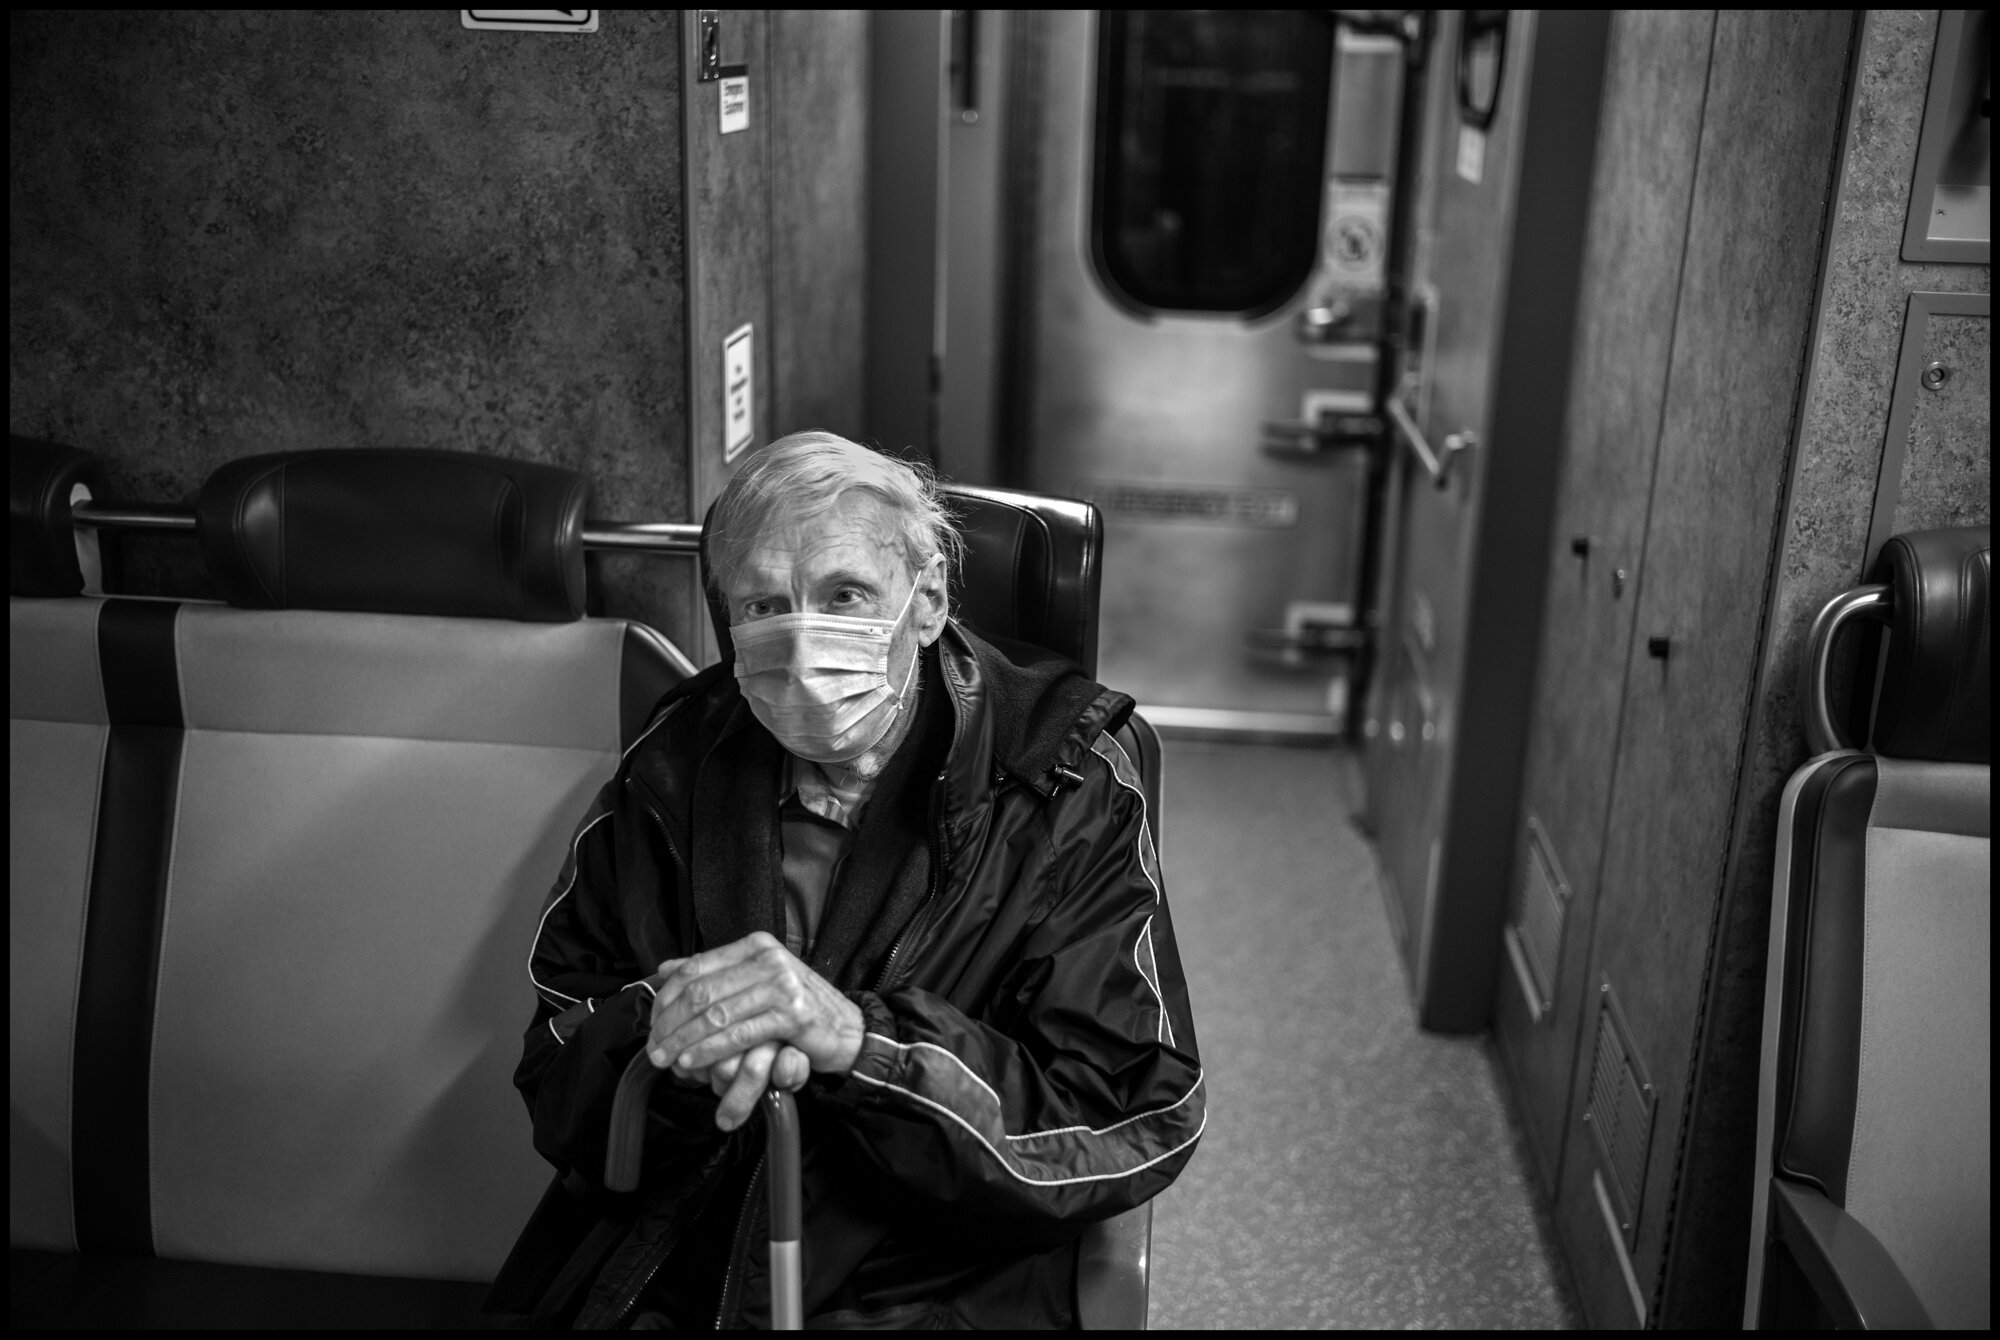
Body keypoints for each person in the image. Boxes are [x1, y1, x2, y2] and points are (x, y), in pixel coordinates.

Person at [485, 432, 1204, 1329]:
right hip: (670, 1260)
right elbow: (559, 1063)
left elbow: (1128, 1118)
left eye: (845, 595)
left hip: (925, 1280)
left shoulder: (1062, 785)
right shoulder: (672, 765)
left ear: (929, 599)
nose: (801, 635)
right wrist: (669, 1041)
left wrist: (861, 1046)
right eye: (762, 604)